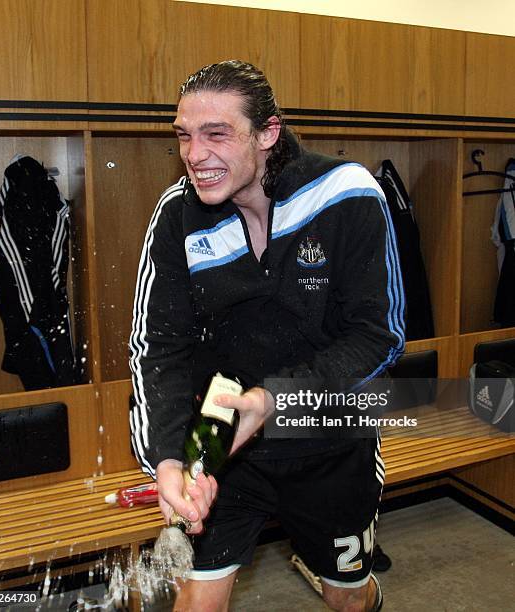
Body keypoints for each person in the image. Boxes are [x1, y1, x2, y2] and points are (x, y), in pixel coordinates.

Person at [129, 60, 404, 612]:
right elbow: (159, 348)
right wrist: (168, 462)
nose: (195, 155)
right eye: (184, 135)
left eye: (217, 134)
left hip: (328, 433)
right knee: (196, 603)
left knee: (345, 598)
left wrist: (272, 401)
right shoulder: (176, 215)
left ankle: (348, 584)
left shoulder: (347, 194)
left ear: (268, 133)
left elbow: (379, 336)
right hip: (220, 432)